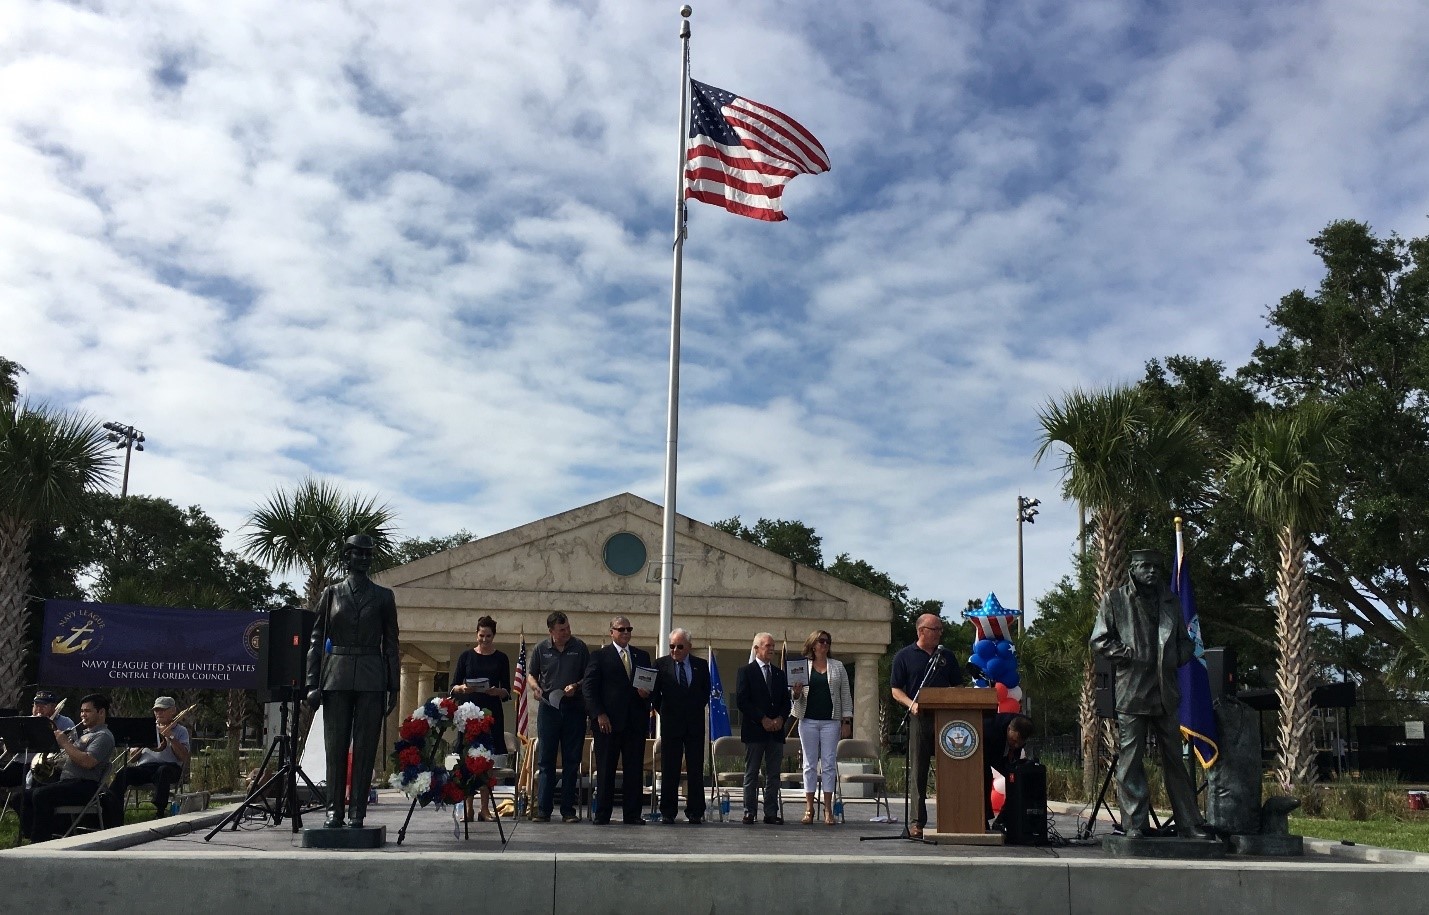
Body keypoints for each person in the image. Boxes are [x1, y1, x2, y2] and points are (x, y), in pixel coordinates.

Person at [1090, 549, 1215, 840]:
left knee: (1175, 760)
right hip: (1132, 691)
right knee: (1130, 761)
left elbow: (1186, 643)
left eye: (1156, 567)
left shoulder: (1170, 601)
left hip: (1165, 691)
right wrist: (1126, 654)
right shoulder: (1115, 599)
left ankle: (1189, 823)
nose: (1152, 572)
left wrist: (1175, 658)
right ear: (1133, 569)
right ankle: (1135, 824)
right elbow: (1099, 639)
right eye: (1145, 566)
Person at [305, 534, 401, 830]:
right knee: (335, 748)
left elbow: (392, 644)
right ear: (345, 558)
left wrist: (394, 685)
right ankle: (334, 810)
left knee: (365, 747)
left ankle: (358, 810)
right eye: (356, 554)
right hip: (337, 675)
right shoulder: (331, 594)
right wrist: (312, 681)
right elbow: (316, 639)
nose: (361, 559)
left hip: (372, 675)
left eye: (366, 554)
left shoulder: (384, 597)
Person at [889, 613, 963, 839]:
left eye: (940, 629)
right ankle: (916, 822)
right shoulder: (904, 656)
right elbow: (895, 689)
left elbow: (958, 686)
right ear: (922, 631)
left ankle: (953, 817)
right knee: (918, 770)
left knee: (952, 768)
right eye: (936, 629)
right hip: (919, 717)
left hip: (947, 720)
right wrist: (911, 705)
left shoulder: (946, 656)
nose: (940, 633)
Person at [582, 615, 652, 825]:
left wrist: (646, 693)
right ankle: (603, 813)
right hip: (608, 724)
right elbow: (589, 688)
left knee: (634, 771)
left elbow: (649, 684)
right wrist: (599, 714)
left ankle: (632, 814)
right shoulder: (600, 656)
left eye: (628, 629)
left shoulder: (642, 656)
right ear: (611, 631)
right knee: (605, 770)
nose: (625, 633)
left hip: (634, 723)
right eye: (621, 629)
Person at [20, 693, 115, 843]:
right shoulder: (85, 734)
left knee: (40, 795)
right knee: (20, 797)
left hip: (85, 786)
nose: (83, 715)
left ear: (101, 712)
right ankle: (34, 834)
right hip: (68, 782)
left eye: (88, 711)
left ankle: (40, 841)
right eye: (82, 711)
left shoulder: (103, 736)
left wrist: (65, 743)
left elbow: (88, 762)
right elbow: (71, 756)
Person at [527, 610, 590, 823]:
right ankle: (544, 810)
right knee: (546, 760)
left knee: (572, 760)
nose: (567, 632)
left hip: (574, 708)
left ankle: (568, 810)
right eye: (562, 630)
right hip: (548, 708)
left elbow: (588, 676)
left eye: (568, 628)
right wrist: (535, 688)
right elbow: (531, 674)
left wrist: (576, 686)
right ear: (551, 631)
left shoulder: (579, 648)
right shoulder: (540, 649)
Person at [451, 615, 511, 822]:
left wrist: (498, 691)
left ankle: (484, 809)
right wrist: (463, 688)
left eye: (488, 636)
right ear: (476, 634)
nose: (484, 640)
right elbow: (454, 687)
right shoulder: (466, 657)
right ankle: (468, 808)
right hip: (469, 714)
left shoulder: (501, 658)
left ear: (494, 636)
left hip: (491, 714)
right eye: (481, 636)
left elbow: (507, 691)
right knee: (468, 761)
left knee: (487, 762)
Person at [790, 629, 853, 825]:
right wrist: (796, 692)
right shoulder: (802, 666)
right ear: (813, 645)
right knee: (809, 764)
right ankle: (809, 807)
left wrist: (846, 721)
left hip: (830, 721)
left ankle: (828, 808)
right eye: (821, 641)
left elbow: (845, 695)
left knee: (828, 763)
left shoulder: (838, 666)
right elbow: (793, 696)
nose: (825, 645)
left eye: (827, 641)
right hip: (807, 720)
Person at [650, 627, 710, 824]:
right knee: (670, 767)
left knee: (695, 768)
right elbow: (654, 694)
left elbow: (704, 692)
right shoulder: (661, 665)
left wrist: (691, 710)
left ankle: (695, 811)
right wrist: (665, 712)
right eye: (672, 646)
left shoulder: (700, 665)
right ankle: (668, 811)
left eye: (679, 646)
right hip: (671, 723)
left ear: (689, 647)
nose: (675, 650)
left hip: (693, 723)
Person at [101, 696, 190, 826]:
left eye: (163, 710)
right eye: (156, 710)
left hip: (170, 767)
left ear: (173, 711)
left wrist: (170, 736)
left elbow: (183, 757)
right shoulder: (146, 727)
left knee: (163, 771)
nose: (159, 713)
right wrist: (144, 741)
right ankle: (112, 811)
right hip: (146, 767)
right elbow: (133, 758)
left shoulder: (181, 731)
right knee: (124, 773)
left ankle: (159, 811)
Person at [735, 632, 791, 824]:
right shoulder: (746, 672)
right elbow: (742, 701)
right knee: (752, 773)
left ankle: (771, 812)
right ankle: (749, 811)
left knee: (773, 774)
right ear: (757, 648)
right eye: (768, 646)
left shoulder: (779, 674)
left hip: (776, 732)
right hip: (755, 731)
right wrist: (762, 719)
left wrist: (781, 718)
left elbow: (786, 700)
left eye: (773, 646)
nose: (772, 649)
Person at [0, 690, 75, 791]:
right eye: (36, 705)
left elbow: (70, 747)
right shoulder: (25, 722)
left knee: (37, 786)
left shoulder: (65, 722)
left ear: (54, 707)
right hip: (21, 764)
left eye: (44, 706)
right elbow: (11, 748)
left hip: (45, 768)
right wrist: (10, 743)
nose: (39, 709)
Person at [984, 713, 1034, 826]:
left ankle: (1003, 819)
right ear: (1009, 729)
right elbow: (990, 759)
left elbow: (1016, 746)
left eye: (1019, 743)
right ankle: (983, 818)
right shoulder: (990, 730)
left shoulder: (1024, 725)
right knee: (984, 777)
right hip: (986, 751)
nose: (1015, 745)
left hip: (1005, 754)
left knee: (1018, 779)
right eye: (1013, 740)